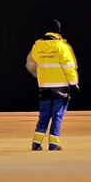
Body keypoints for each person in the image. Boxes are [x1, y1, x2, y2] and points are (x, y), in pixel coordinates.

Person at [26, 19, 79, 151]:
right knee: (57, 116)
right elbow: (69, 67)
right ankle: (54, 144)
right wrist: (73, 84)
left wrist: (42, 76)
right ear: (58, 31)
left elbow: (30, 64)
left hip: (44, 86)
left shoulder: (37, 46)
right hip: (60, 87)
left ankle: (36, 143)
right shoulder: (62, 47)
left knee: (44, 115)